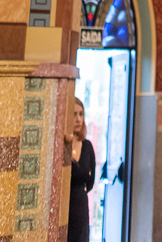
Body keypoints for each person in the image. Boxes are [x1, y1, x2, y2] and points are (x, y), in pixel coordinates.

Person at [67, 97, 95, 242]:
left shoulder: (87, 146)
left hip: (80, 204)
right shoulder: (62, 145)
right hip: (64, 204)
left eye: (81, 114)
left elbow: (91, 182)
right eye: (74, 114)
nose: (78, 119)